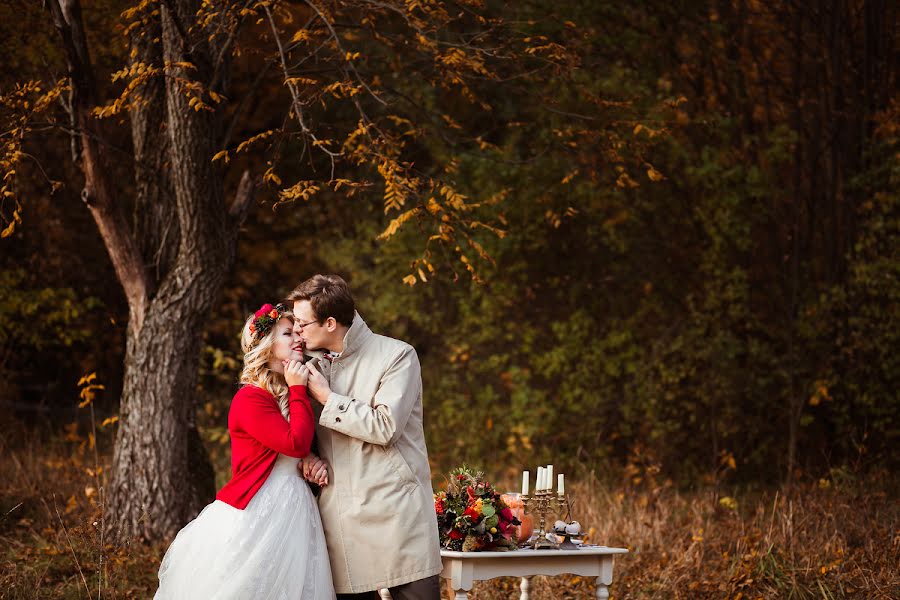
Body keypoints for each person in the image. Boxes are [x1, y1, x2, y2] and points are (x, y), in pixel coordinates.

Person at [155, 303, 336, 600]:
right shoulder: (250, 398)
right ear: (266, 347)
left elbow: (295, 446)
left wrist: (310, 459)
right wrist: (299, 392)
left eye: (297, 332)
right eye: (288, 333)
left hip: (295, 503)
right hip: (260, 506)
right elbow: (294, 443)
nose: (298, 339)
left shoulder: (286, 390)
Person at [287, 275, 442, 600]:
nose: (297, 331)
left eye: (302, 324)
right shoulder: (305, 365)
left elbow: (385, 427)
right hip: (342, 517)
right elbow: (289, 428)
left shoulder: (397, 356)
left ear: (330, 323)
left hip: (398, 514)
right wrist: (307, 457)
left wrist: (328, 398)